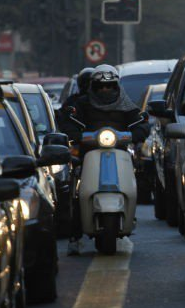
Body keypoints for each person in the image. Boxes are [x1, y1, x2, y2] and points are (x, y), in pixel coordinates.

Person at [60, 64, 149, 255]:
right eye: (100, 86)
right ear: (93, 87)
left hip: (121, 153)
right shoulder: (81, 104)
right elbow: (67, 120)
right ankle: (74, 237)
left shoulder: (128, 105)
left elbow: (141, 123)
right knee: (77, 191)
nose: (105, 90)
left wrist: (137, 133)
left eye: (109, 86)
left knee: (139, 174)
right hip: (88, 155)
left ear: (117, 86)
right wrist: (76, 134)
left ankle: (130, 213)